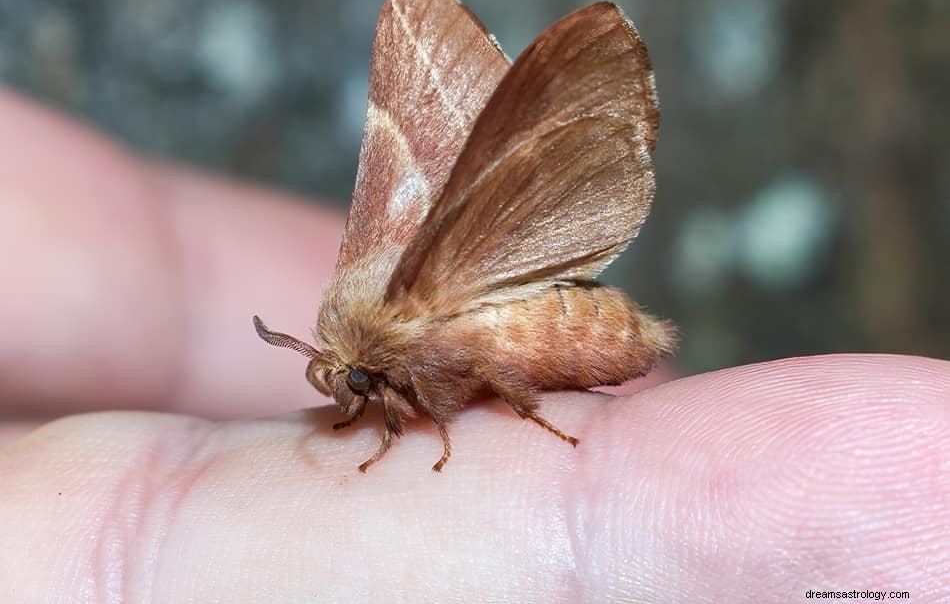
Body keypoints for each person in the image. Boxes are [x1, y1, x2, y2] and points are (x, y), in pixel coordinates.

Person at [0, 87, 945, 601]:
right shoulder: (383, 344)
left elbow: (464, 371)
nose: (351, 393)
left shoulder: (406, 338)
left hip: (555, 328)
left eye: (356, 383)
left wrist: (443, 430)